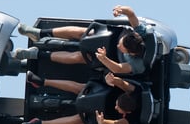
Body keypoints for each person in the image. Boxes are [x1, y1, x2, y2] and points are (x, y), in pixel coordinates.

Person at [15, 5, 151, 75]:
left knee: (78, 57)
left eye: (121, 46)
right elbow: (131, 13)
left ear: (131, 53)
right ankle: (39, 34)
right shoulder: (142, 34)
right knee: (83, 33)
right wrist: (120, 9)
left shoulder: (138, 64)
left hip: (110, 58)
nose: (118, 45)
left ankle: (36, 54)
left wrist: (104, 59)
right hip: (110, 35)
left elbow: (118, 69)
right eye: (120, 43)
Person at [20, 72, 138, 124]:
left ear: (127, 112)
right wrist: (112, 79)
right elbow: (122, 84)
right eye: (117, 104)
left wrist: (103, 122)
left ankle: (39, 123)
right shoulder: (132, 91)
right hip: (101, 94)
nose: (116, 107)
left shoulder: (130, 119)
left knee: (78, 120)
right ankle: (42, 82)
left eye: (118, 108)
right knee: (81, 88)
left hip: (101, 116)